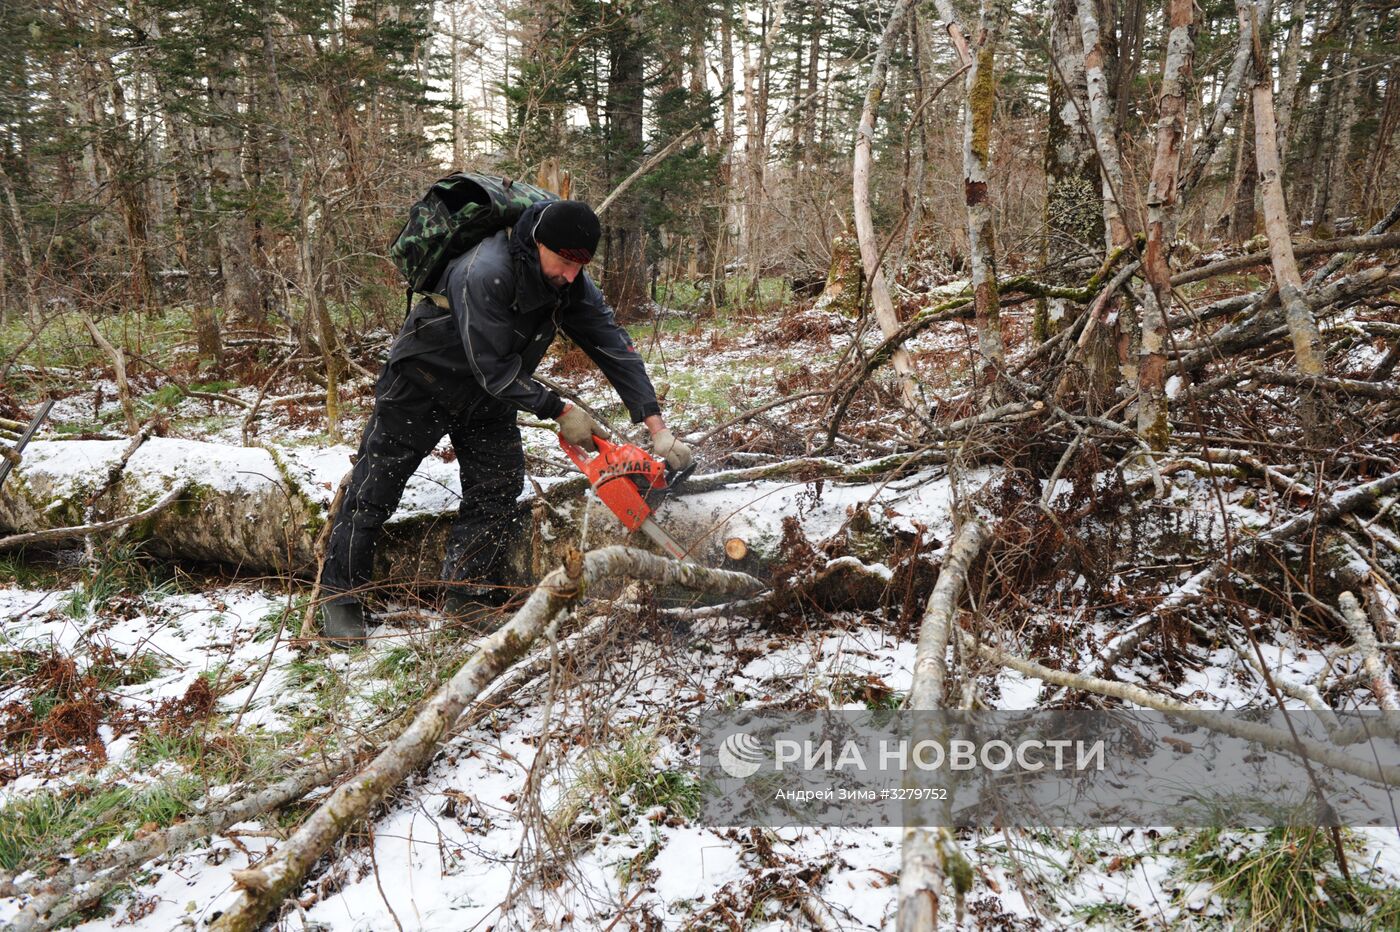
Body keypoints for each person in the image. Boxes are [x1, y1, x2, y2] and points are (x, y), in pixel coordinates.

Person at [319, 198, 692, 642]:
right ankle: (338, 600)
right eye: (566, 261)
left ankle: (466, 596)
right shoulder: (485, 270)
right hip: (422, 382)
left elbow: (611, 343)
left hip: (488, 395)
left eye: (582, 265)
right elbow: (491, 366)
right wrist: (560, 409)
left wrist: (657, 427)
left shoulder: (569, 281)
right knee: (374, 488)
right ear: (538, 242)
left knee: (497, 486)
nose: (572, 275)